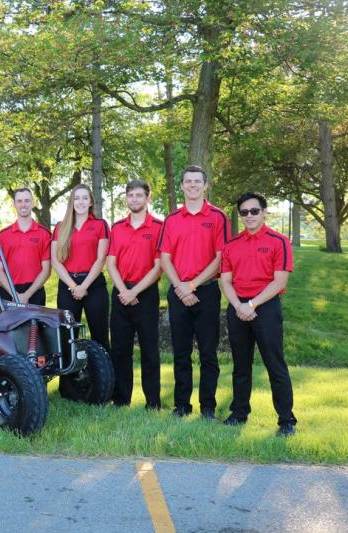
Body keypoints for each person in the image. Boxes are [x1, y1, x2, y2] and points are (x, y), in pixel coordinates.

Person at [221, 192, 297, 436]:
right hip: (237, 308)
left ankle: (286, 421)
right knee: (240, 366)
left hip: (265, 307)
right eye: (244, 212)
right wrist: (239, 306)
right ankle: (239, 413)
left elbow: (279, 281)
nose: (249, 216)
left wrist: (251, 305)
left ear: (264, 212)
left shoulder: (279, 241)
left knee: (275, 365)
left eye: (254, 211)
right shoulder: (231, 245)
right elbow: (225, 281)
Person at [158, 165, 229, 419]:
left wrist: (193, 285)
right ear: (182, 186)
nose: (192, 185)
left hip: (207, 293)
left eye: (197, 181)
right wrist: (181, 286)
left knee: (208, 354)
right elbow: (165, 258)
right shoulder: (172, 219)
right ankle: (182, 405)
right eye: (188, 181)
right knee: (181, 353)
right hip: (178, 293)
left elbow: (221, 258)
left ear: (205, 185)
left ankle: (207, 407)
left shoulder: (218, 217)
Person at [106, 180, 163, 410]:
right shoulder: (117, 227)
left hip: (146, 294)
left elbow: (159, 266)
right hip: (121, 293)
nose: (135, 200)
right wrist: (124, 291)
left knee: (149, 349)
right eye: (131, 196)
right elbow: (111, 263)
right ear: (126, 199)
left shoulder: (159, 227)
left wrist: (135, 291)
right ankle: (121, 399)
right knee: (120, 349)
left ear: (148, 198)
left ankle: (153, 402)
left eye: (139, 196)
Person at [51, 183, 111, 353]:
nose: (81, 202)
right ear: (72, 202)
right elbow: (56, 261)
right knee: (68, 338)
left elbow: (101, 259)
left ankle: (104, 379)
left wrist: (83, 287)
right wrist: (73, 286)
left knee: (100, 336)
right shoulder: (61, 227)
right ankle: (70, 380)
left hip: (93, 285)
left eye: (85, 198)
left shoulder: (101, 225)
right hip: (68, 286)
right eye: (77, 198)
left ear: (91, 202)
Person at [0, 187, 51, 306]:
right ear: (14, 204)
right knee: (8, 325)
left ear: (32, 203)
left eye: (27, 200)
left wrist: (27, 295)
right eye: (19, 201)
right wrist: (14, 294)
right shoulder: (3, 235)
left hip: (35, 291)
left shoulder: (44, 234)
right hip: (8, 290)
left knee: (35, 326)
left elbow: (46, 270)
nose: (23, 204)